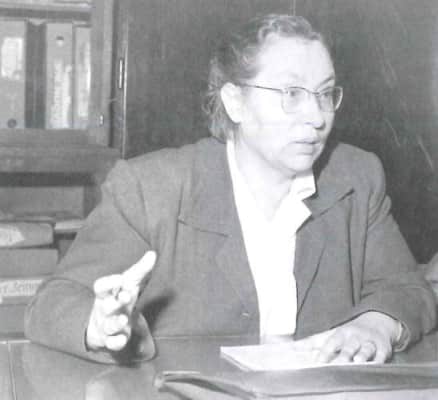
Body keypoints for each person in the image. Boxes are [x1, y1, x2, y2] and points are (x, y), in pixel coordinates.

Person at [25, 14, 436, 365]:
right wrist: (100, 326)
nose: (316, 117)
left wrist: (375, 325)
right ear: (235, 102)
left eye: (326, 93)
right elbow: (52, 302)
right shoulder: (151, 188)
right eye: (292, 94)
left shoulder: (355, 177)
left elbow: (407, 289)